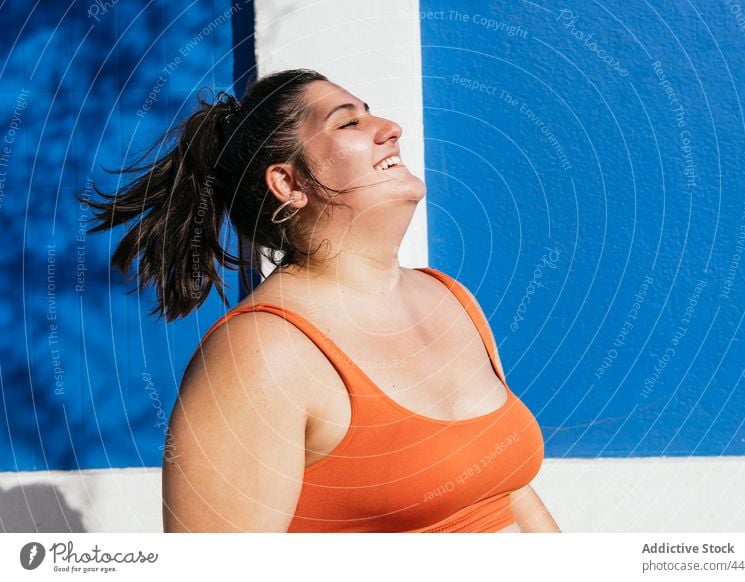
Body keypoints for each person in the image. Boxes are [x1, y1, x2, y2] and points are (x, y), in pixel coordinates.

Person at [83, 68, 560, 533]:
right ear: (288, 184)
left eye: (371, 114)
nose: (391, 129)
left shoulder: (449, 298)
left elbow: (509, 490)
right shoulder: (259, 356)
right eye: (349, 121)